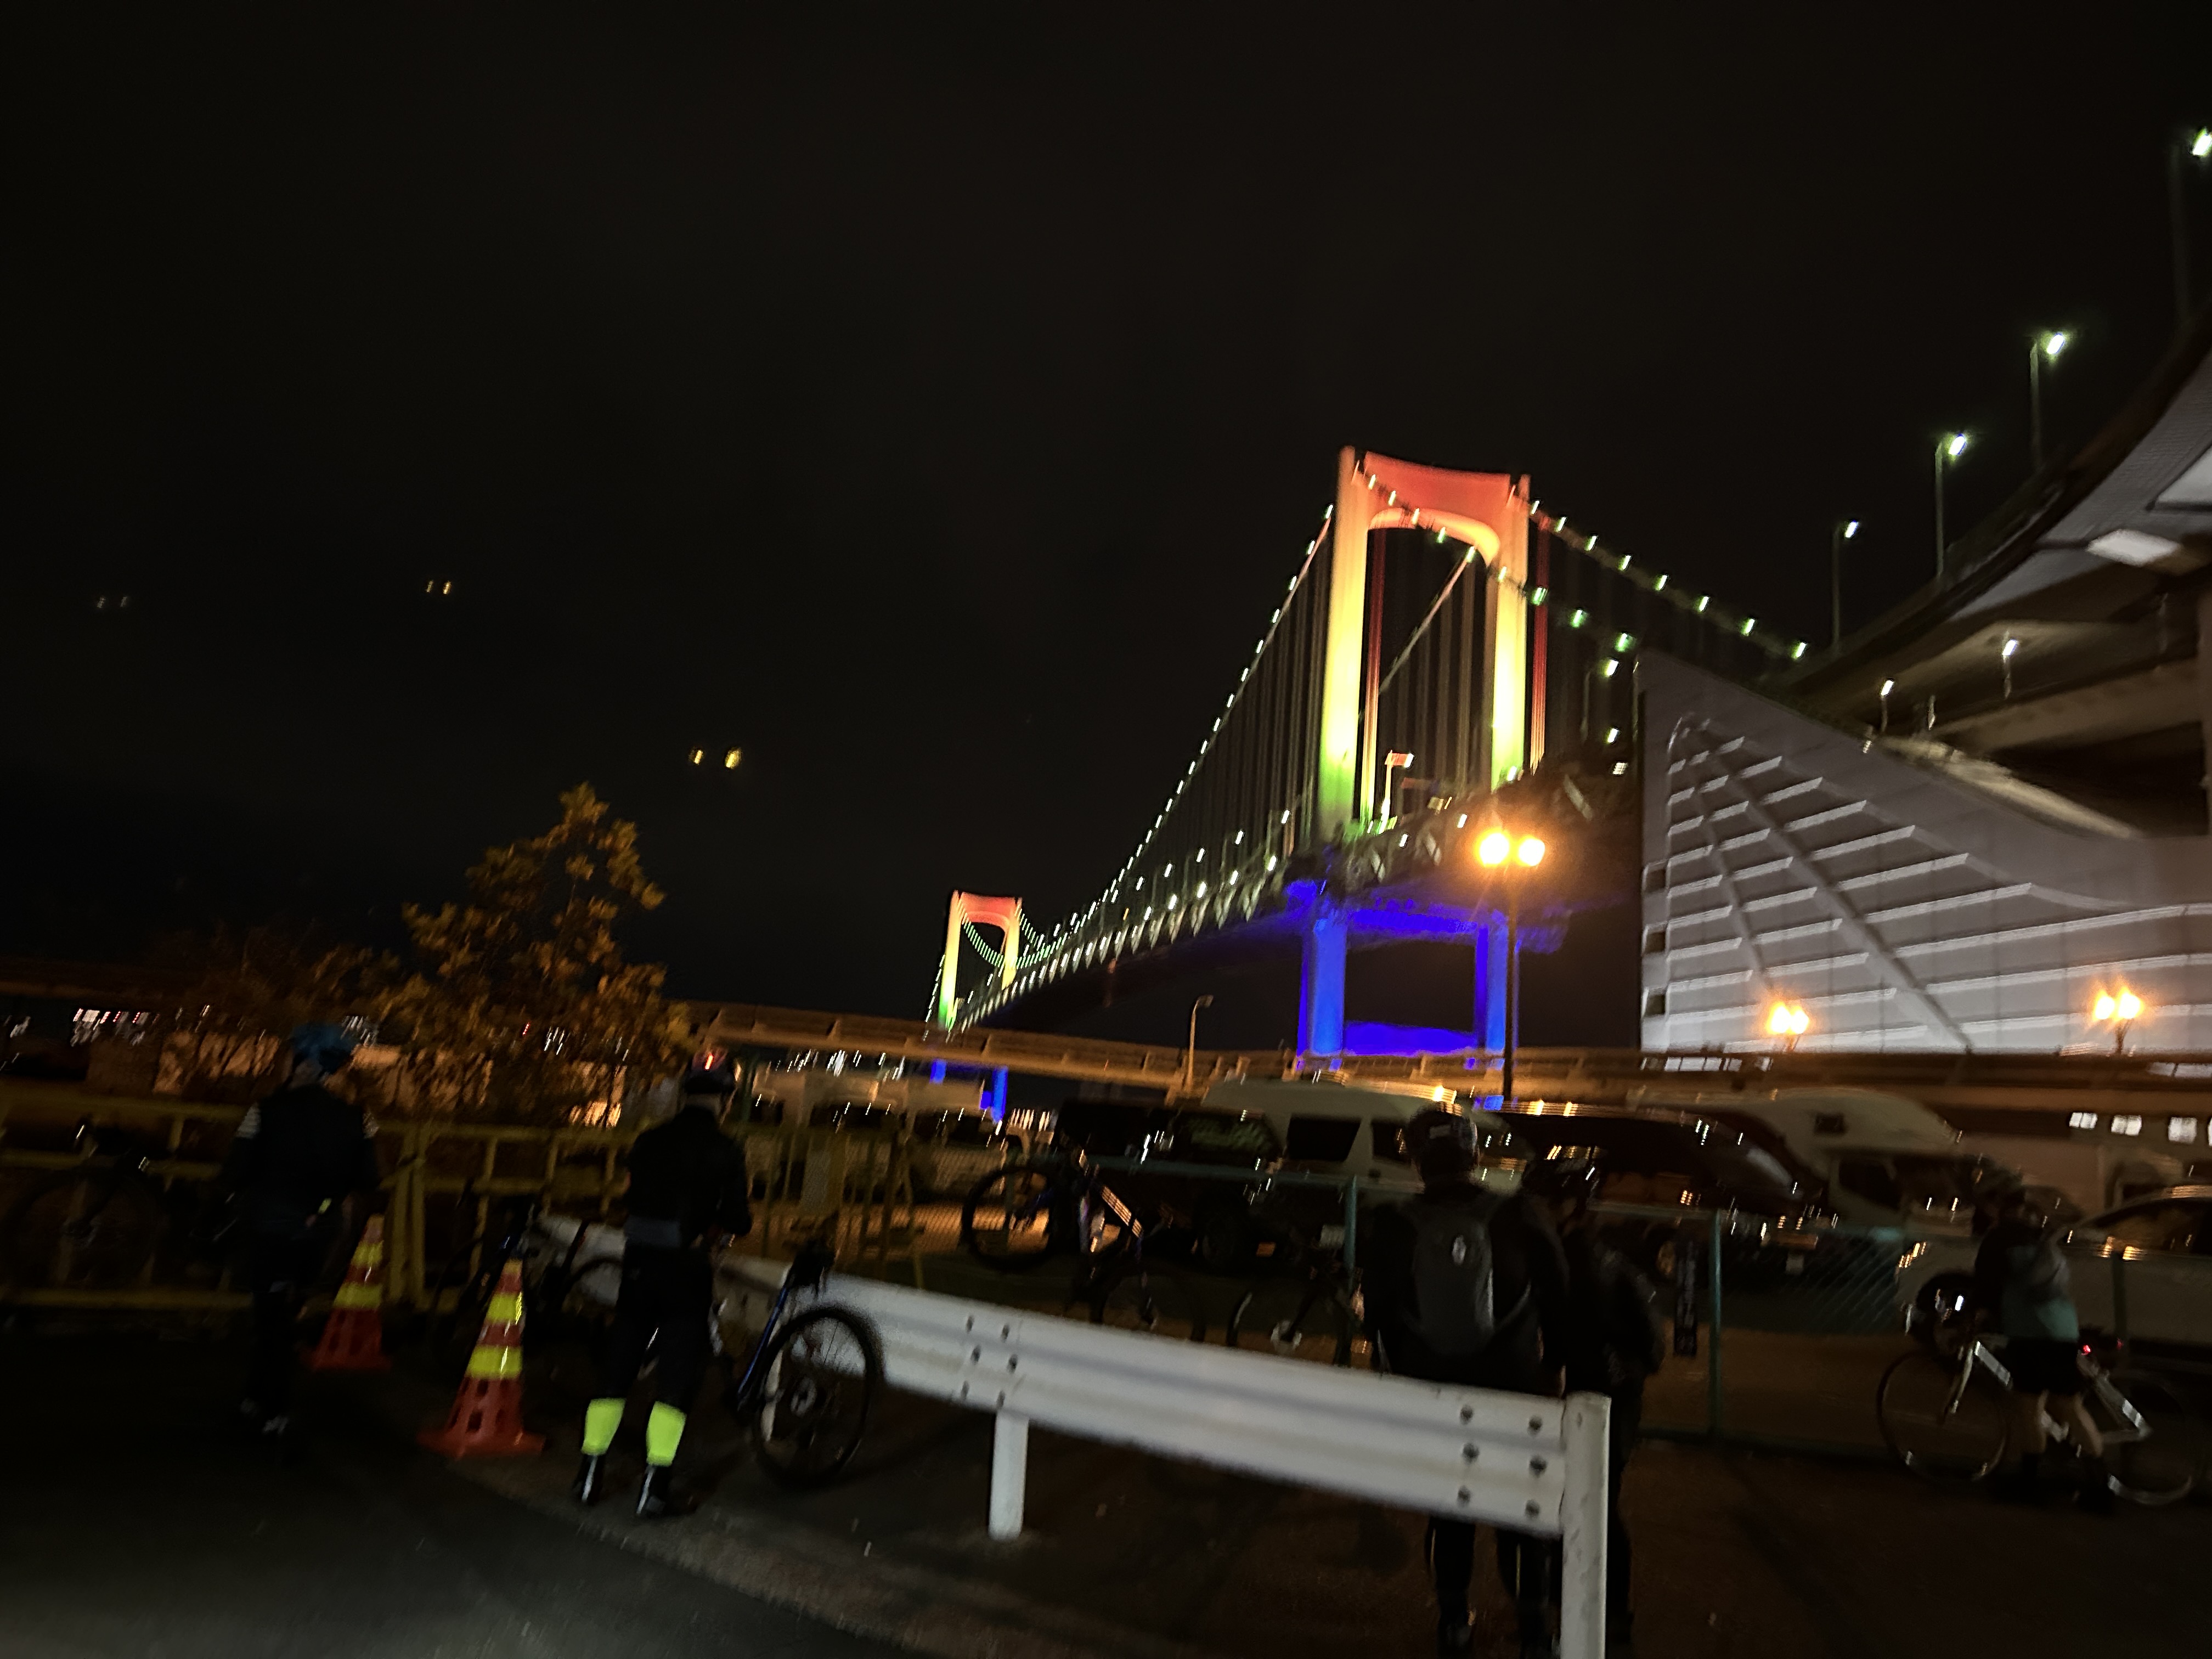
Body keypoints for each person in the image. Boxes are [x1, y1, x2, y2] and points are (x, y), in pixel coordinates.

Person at [1362, 1108, 1571, 1659]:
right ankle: (1534, 1635)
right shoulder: (1519, 1215)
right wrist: (1554, 1371)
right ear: (1475, 1155)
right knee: (1520, 1516)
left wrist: (1399, 1375)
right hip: (1515, 1391)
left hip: (1436, 1394)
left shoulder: (1393, 1224)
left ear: (1415, 1160)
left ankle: (1454, 1625)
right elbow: (1560, 1299)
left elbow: (1377, 1314)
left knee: (1449, 1512)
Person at [574, 1056, 753, 1518]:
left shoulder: (648, 1141)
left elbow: (631, 1196)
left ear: (684, 1096)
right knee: (675, 1383)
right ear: (725, 1101)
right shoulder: (725, 1149)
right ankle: (654, 1488)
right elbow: (739, 1219)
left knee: (617, 1369)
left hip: (638, 1265)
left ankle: (589, 1473)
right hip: (685, 1271)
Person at [1522, 1158, 1667, 1648]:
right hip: (1616, 1395)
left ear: (1568, 1206)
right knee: (1594, 1504)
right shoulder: (1594, 1251)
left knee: (1590, 1508)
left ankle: (1599, 1616)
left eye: (1543, 1200)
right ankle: (1603, 1613)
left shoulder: (1576, 1260)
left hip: (1600, 1396)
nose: (1536, 1209)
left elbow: (1568, 1341)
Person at [221, 1022, 384, 1447]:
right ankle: (270, 1403)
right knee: (292, 1310)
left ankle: (265, 1402)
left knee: (267, 1315)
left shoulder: (266, 1111)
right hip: (320, 1231)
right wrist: (326, 1203)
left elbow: (235, 1172)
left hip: (270, 1224)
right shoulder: (358, 1118)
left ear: (300, 1064)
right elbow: (368, 1178)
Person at [1973, 1185, 2109, 1511]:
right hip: (2063, 1330)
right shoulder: (2044, 1240)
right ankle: (2100, 1489)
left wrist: (1975, 1317)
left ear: (1998, 1208)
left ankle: (2030, 1482)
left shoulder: (1999, 1240)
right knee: (2071, 1407)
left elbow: (1987, 1289)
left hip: (2029, 1333)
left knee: (2029, 1407)